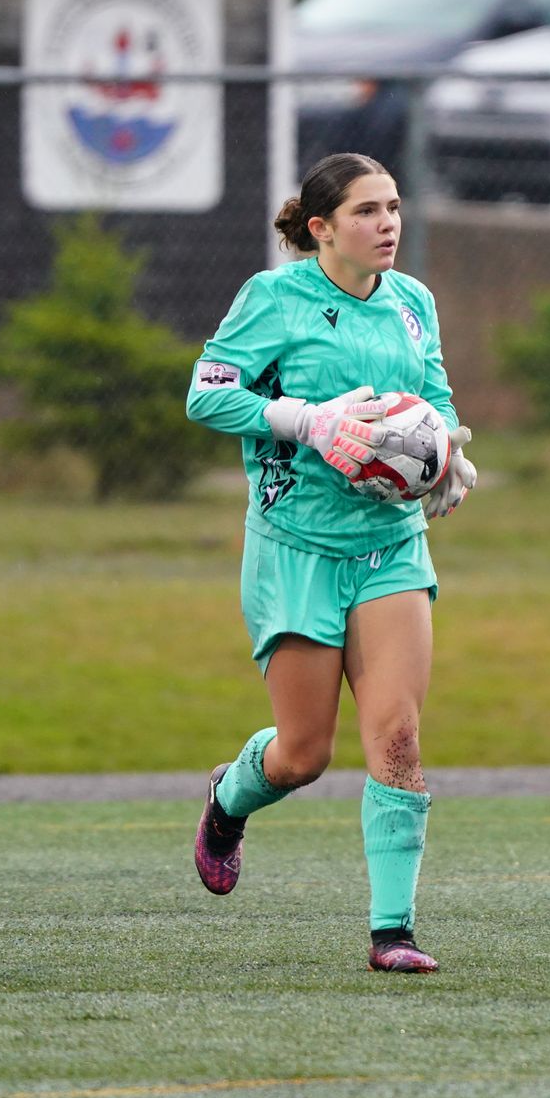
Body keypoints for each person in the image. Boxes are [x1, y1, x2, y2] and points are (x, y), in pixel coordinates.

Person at [184, 152, 478, 973]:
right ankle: (228, 799)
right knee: (304, 754)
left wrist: (447, 450)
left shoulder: (413, 303)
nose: (388, 224)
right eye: (366, 211)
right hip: (296, 550)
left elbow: (437, 397)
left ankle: (394, 932)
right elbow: (207, 393)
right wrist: (306, 421)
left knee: (399, 737)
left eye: (393, 208)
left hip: (389, 547)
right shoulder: (273, 298)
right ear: (320, 228)